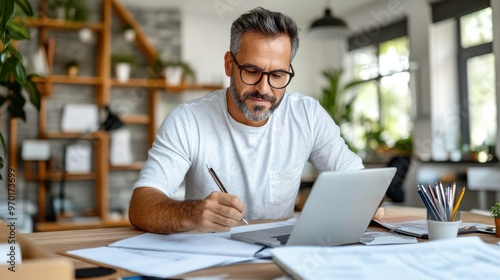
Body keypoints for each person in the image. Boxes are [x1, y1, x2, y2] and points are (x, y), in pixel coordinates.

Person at [129, 7, 364, 234]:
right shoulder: (188, 120)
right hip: (210, 256)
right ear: (230, 65)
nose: (264, 89)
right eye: (252, 71)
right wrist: (192, 213)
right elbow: (141, 206)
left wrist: (364, 204)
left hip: (279, 255)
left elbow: (360, 182)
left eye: (278, 75)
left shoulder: (308, 115)